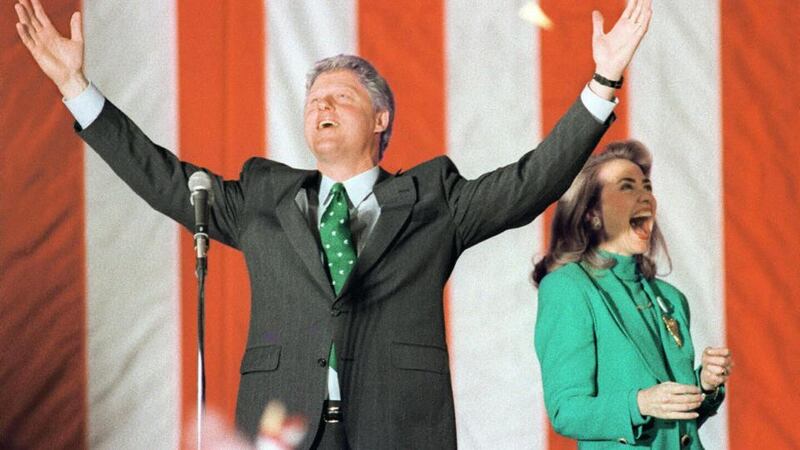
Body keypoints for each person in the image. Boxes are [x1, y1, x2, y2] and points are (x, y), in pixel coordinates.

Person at [15, 0, 652, 448]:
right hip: (282, 427)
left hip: (398, 428)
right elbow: (161, 177)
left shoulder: (434, 202)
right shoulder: (261, 197)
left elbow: (531, 180)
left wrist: (602, 82)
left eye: (340, 96)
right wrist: (78, 89)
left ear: (380, 120)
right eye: (314, 98)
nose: (321, 104)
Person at [532, 140, 732, 449]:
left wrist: (704, 384)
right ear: (591, 214)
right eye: (626, 187)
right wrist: (640, 403)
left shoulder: (671, 299)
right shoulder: (567, 288)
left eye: (647, 186)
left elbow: (678, 426)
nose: (645, 196)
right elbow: (565, 411)